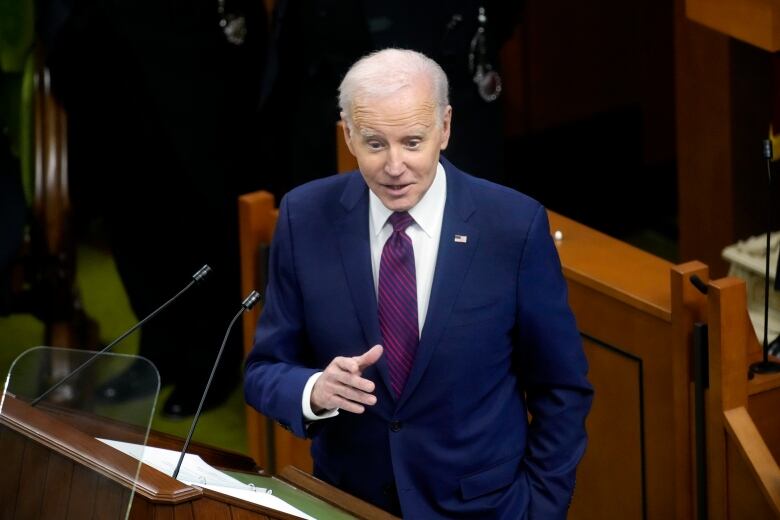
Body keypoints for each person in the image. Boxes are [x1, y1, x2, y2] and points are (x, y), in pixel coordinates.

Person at [244, 49, 592, 518]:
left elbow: (562, 388)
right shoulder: (305, 217)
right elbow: (264, 369)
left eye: (412, 142)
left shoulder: (512, 227)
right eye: (374, 143)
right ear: (348, 134)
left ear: (444, 128)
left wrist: (540, 508)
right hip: (351, 502)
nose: (394, 166)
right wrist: (314, 392)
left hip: (485, 508)